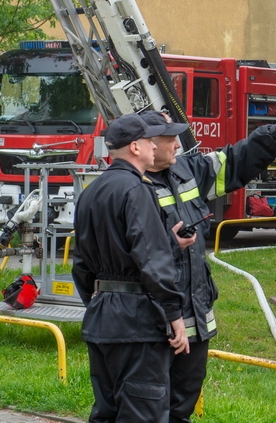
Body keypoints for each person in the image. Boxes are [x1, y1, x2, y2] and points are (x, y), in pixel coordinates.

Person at [140, 105, 276, 423]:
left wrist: (273, 135)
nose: (177, 144)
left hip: (196, 323)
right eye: (169, 138)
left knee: (181, 405)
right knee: (148, 406)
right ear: (145, 144)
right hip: (155, 325)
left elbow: (234, 161)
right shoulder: (131, 186)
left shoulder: (187, 170)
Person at [72, 113, 190, 423]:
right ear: (135, 147)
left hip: (102, 320)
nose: (155, 147)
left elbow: (82, 265)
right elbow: (152, 259)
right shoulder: (137, 190)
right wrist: (174, 314)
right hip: (137, 324)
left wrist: (101, 302)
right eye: (151, 142)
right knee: (143, 413)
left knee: (106, 414)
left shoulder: (90, 193)